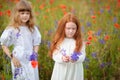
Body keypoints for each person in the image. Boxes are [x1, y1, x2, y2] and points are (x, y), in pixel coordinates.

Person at [0, 0, 41, 80]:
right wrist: (12, 57)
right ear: (17, 14)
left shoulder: (32, 28)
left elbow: (36, 43)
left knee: (32, 77)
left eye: (27, 13)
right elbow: (3, 44)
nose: (25, 16)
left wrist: (35, 54)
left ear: (30, 14)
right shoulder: (12, 29)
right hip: (17, 59)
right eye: (22, 13)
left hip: (30, 59)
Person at [49, 13, 86, 80]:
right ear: (63, 28)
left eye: (73, 28)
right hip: (61, 70)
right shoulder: (59, 40)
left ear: (77, 29)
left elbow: (82, 56)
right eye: (68, 28)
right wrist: (62, 58)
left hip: (75, 71)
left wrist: (76, 58)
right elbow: (55, 55)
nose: (71, 31)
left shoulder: (80, 41)